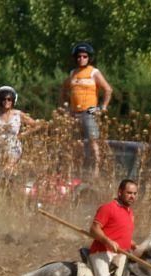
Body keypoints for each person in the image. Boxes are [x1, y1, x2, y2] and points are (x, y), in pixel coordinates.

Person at [88, 179, 138, 276]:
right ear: (120, 192)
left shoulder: (130, 214)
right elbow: (94, 229)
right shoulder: (107, 208)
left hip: (120, 254)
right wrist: (108, 241)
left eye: (135, 194)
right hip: (101, 253)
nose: (132, 196)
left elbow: (119, 233)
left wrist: (131, 243)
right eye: (129, 193)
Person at [60, 42, 113, 178]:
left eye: (84, 56)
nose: (81, 59)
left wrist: (103, 107)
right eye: (79, 56)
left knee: (92, 140)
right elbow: (63, 90)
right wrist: (65, 108)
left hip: (89, 111)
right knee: (73, 142)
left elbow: (108, 89)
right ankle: (74, 169)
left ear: (89, 58)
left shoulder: (93, 72)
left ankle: (95, 171)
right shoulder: (73, 73)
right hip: (74, 112)